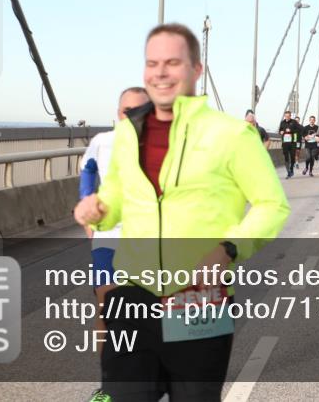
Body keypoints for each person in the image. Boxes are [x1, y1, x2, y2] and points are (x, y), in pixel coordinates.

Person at [74, 23, 289, 400]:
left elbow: (272, 205)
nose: (160, 71)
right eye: (152, 62)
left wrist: (228, 249)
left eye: (172, 62)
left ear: (196, 70)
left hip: (198, 296)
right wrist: (99, 210)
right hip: (132, 293)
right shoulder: (129, 134)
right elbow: (118, 197)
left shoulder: (233, 135)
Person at [79, 86, 150, 368]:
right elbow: (87, 171)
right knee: (107, 309)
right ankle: (110, 381)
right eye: (126, 111)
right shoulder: (102, 142)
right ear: (117, 114)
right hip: (109, 238)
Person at [278, 110, 298, 178]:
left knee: (292, 157)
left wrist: (291, 131)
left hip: (292, 142)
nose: (287, 117)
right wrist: (281, 132)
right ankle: (288, 172)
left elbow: (297, 130)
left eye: (288, 116)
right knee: (286, 157)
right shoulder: (282, 122)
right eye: (286, 116)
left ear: (290, 116)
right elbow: (280, 130)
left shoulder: (294, 122)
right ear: (284, 116)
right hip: (285, 142)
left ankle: (291, 168)